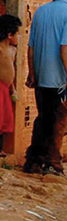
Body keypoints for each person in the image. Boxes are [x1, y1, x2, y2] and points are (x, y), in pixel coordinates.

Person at [24, 0, 67, 176]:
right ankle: (52, 164)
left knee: (43, 119)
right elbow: (65, 47)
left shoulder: (41, 12)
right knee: (59, 122)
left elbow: (31, 47)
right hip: (59, 80)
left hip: (41, 77)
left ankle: (33, 162)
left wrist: (32, 73)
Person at [0, 14, 22, 157]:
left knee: (5, 119)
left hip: (6, 89)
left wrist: (13, 89)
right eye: (17, 33)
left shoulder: (12, 50)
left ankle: (1, 148)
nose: (18, 37)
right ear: (9, 34)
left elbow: (11, 71)